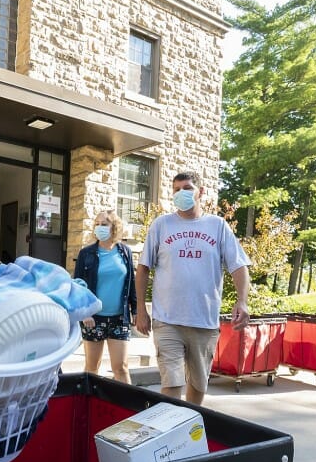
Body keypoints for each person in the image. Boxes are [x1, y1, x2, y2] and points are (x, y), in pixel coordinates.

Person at [134, 171, 251, 405]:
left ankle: (189, 431)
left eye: (186, 188)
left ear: (201, 192)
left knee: (197, 387)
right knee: (172, 382)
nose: (180, 193)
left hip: (203, 321)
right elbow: (143, 267)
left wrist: (242, 300)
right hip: (167, 320)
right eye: (176, 189)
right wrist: (140, 309)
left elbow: (238, 265)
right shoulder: (162, 225)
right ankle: (170, 431)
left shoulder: (217, 226)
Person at [73, 210, 138, 382]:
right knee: (92, 367)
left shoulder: (125, 252)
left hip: (119, 318)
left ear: (114, 227)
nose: (100, 227)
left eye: (104, 224)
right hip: (94, 318)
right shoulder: (86, 254)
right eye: (97, 224)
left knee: (121, 367)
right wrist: (84, 312)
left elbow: (131, 282)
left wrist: (137, 310)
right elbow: (78, 286)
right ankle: (88, 405)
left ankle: (127, 406)